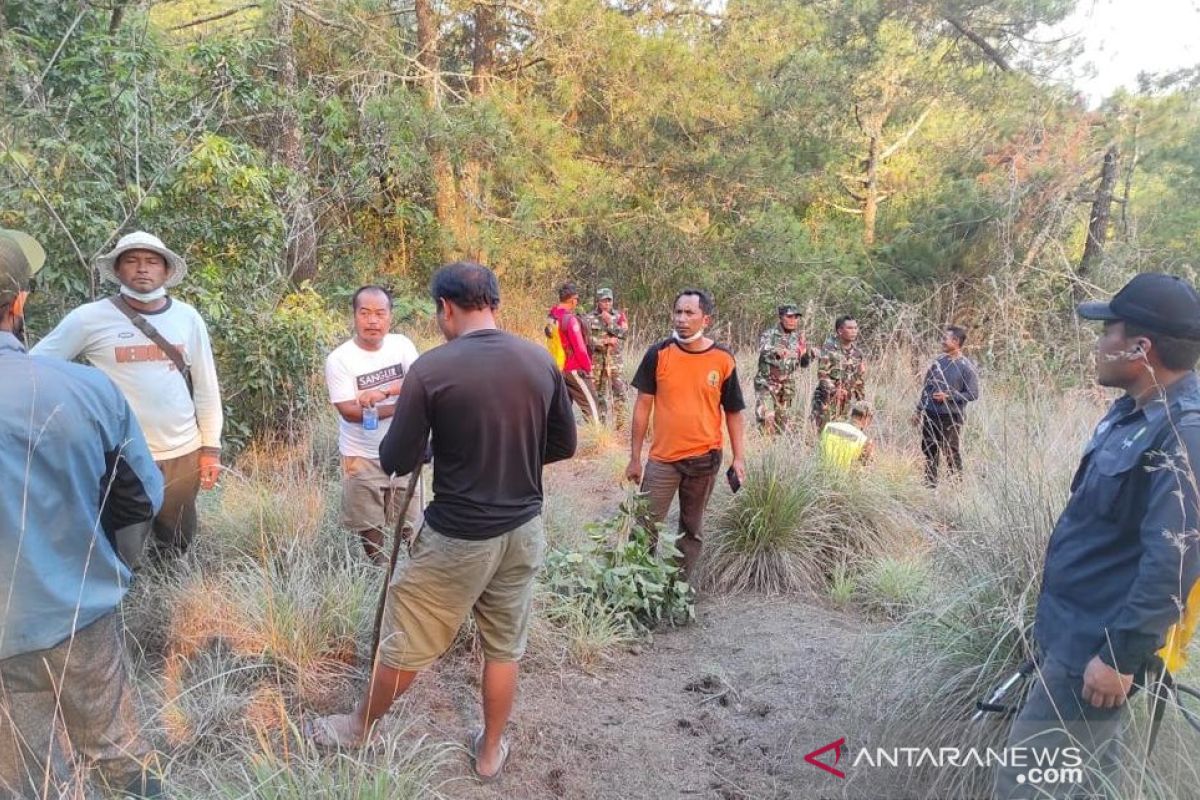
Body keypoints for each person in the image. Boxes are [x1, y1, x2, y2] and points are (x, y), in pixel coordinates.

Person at [306, 263, 576, 784]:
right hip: (523, 529)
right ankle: (490, 750)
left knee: (408, 637)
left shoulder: (432, 369)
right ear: (493, 304)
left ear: (446, 308)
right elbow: (564, 444)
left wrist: (442, 447)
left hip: (457, 534)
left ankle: (360, 726)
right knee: (504, 645)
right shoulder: (539, 360)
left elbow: (396, 458)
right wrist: (504, 455)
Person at [995, 273, 1200, 800]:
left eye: (1107, 331)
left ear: (1140, 346)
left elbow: (1173, 561)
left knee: (1026, 788)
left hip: (1097, 655)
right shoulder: (1132, 410)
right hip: (1071, 640)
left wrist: (1118, 657)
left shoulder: (1185, 432)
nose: (1098, 343)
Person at [0, 229, 165, 798]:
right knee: (117, 753)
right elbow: (142, 496)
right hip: (80, 610)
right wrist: (113, 566)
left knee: (22, 776)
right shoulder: (89, 389)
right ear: (20, 303)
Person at [32, 230, 223, 559]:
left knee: (176, 541)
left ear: (165, 271)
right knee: (124, 546)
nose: (142, 268)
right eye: (132, 261)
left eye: (151, 261)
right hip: (122, 455)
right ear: (118, 271)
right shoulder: (89, 319)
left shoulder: (188, 318)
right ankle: (127, 604)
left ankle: (169, 601)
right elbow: (35, 366)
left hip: (182, 451)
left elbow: (206, 387)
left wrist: (211, 448)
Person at [625, 289, 747, 578]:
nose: (681, 319)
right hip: (663, 461)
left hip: (705, 460)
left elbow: (733, 411)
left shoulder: (722, 358)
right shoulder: (659, 353)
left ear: (706, 318)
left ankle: (677, 590)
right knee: (644, 528)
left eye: (689, 313)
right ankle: (637, 589)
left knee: (691, 530)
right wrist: (634, 458)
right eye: (678, 312)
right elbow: (643, 406)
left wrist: (739, 457)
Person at [324, 286, 422, 564]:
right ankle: (379, 570)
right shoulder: (339, 359)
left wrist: (384, 393)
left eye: (380, 313)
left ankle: (413, 568)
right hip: (362, 454)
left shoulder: (402, 345)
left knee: (411, 518)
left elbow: (419, 384)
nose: (372, 321)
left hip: (404, 447)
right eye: (365, 313)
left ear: (390, 317)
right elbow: (350, 412)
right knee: (368, 519)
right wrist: (402, 406)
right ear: (354, 317)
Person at [912, 325, 980, 486]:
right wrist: (919, 410)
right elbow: (927, 387)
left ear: (956, 341)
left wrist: (948, 396)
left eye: (945, 338)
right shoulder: (938, 362)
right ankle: (930, 484)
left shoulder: (966, 367)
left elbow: (973, 394)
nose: (942, 341)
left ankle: (956, 486)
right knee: (929, 449)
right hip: (931, 414)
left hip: (951, 417)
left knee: (951, 451)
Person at [754, 303, 812, 434]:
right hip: (767, 384)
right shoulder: (770, 334)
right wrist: (776, 351)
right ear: (781, 317)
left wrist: (807, 354)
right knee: (767, 419)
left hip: (786, 388)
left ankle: (778, 450)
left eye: (796, 317)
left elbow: (803, 364)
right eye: (790, 316)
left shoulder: (797, 338)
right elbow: (762, 349)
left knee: (783, 426)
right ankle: (765, 450)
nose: (793, 320)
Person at [547, 281, 599, 422]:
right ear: (572, 300)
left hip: (556, 368)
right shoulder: (570, 320)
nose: (577, 302)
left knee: (562, 409)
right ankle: (598, 440)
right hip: (573, 368)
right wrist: (588, 368)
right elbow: (580, 349)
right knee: (591, 404)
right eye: (577, 299)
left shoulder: (551, 317)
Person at [811, 315, 866, 429]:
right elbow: (822, 376)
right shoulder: (829, 348)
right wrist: (835, 391)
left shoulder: (857, 353)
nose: (854, 331)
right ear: (840, 330)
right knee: (824, 434)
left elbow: (858, 381)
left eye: (855, 328)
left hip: (846, 402)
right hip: (826, 401)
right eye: (850, 328)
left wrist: (861, 401)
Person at [586, 287, 630, 428]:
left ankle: (621, 426)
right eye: (604, 301)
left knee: (619, 391)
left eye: (609, 301)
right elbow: (586, 340)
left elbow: (624, 334)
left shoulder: (618, 317)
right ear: (598, 301)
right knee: (598, 393)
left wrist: (610, 322)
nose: (606, 304)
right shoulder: (589, 318)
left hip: (614, 361)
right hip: (597, 362)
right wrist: (602, 342)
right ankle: (600, 427)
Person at [819, 401, 874, 469]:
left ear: (852, 414)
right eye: (870, 419)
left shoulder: (828, 426)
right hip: (845, 478)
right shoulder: (864, 441)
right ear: (865, 417)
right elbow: (865, 471)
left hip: (822, 474)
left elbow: (819, 453)